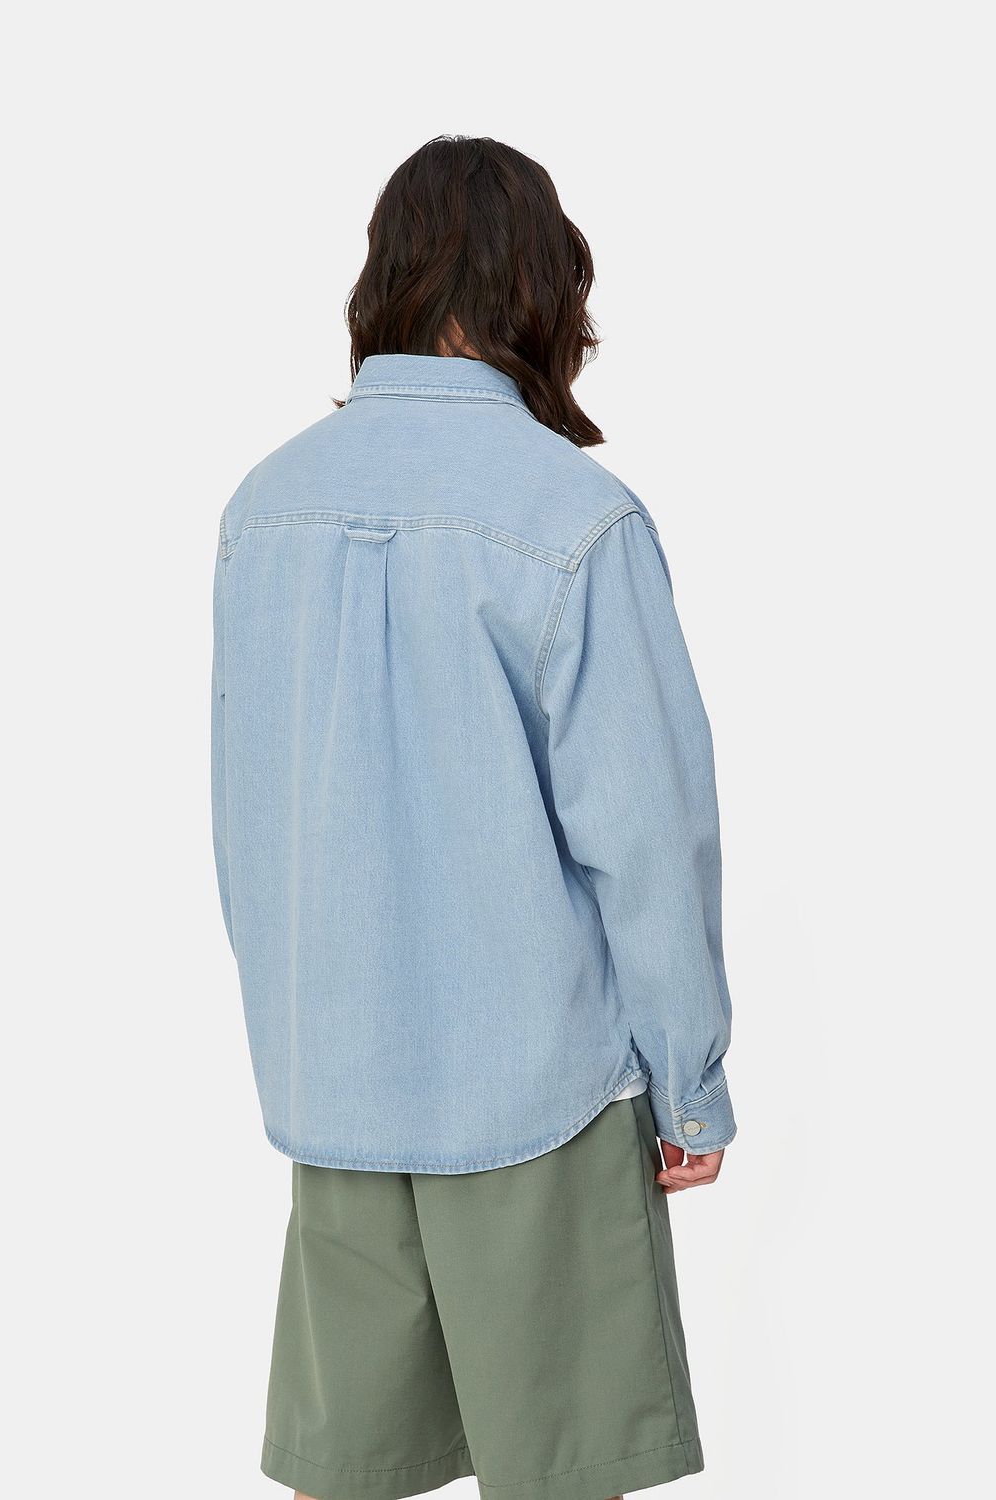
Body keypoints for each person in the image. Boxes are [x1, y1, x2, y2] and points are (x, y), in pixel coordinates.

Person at [212, 135, 736, 1500]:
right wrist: (689, 1083)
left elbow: (248, 813)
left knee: (348, 1476)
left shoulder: (265, 509)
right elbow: (648, 836)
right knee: (560, 1476)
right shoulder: (574, 517)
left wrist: (297, 1035)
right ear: (547, 290)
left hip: (336, 1088)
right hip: (538, 1095)